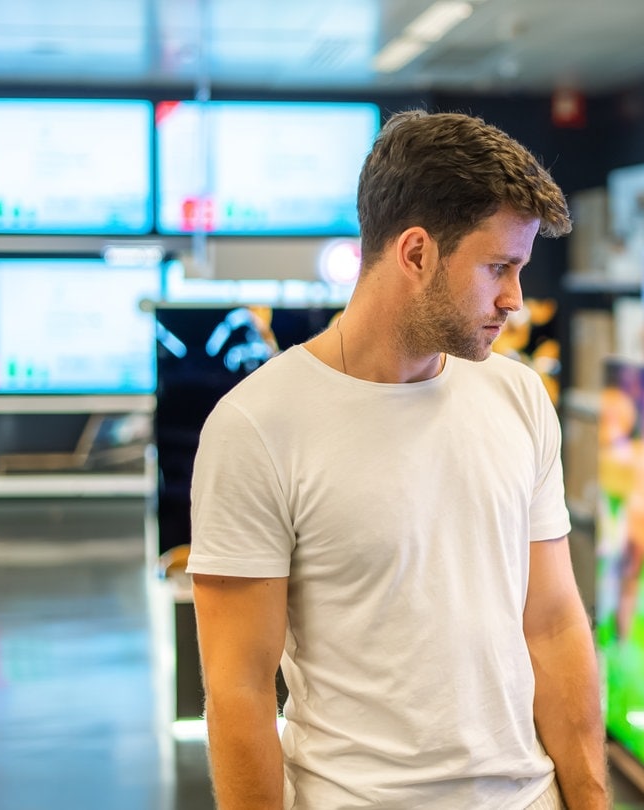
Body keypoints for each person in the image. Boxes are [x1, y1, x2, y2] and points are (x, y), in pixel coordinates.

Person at [186, 110, 608, 810]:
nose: (516, 300)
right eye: (498, 268)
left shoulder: (519, 399)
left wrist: (591, 801)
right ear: (415, 253)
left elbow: (555, 622)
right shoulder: (256, 427)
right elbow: (238, 693)